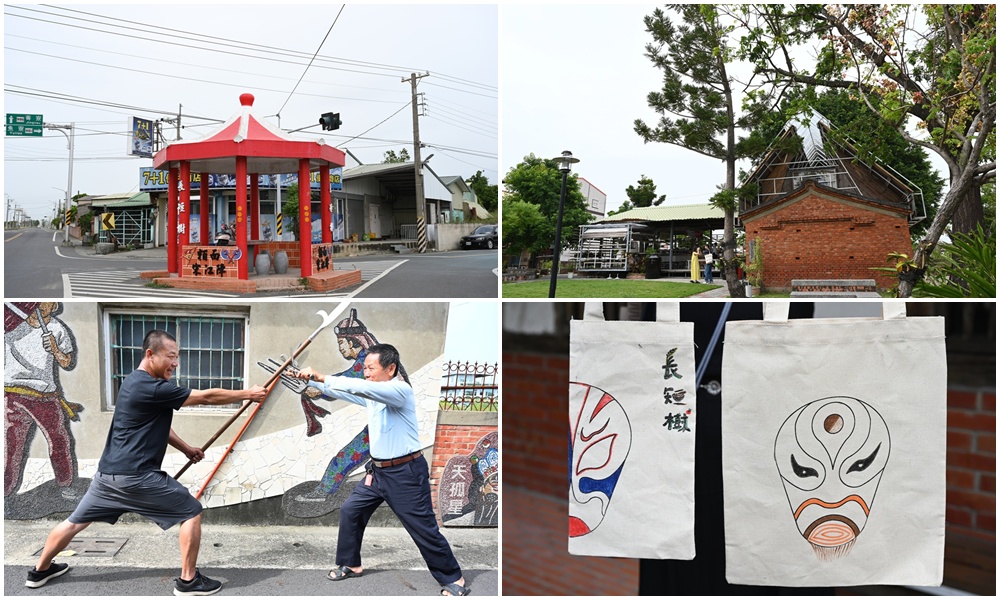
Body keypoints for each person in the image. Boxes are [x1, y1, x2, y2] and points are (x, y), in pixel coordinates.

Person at [25, 330, 267, 596]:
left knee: (74, 522)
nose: (175, 363)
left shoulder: (133, 383)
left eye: (178, 357)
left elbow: (154, 425)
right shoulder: (152, 387)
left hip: (108, 477)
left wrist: (186, 449)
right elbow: (206, 397)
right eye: (171, 356)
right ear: (150, 354)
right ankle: (188, 582)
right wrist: (248, 393)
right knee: (191, 511)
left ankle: (39, 571)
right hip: (137, 476)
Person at [293, 343, 471, 596]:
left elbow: (360, 387)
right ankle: (351, 563)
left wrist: (321, 375)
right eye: (364, 367)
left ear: (391, 368)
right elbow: (350, 393)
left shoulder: (400, 391)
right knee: (350, 510)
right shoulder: (375, 397)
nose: (365, 373)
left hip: (405, 473)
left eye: (370, 368)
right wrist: (312, 383)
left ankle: (454, 577)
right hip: (377, 472)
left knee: (422, 526)